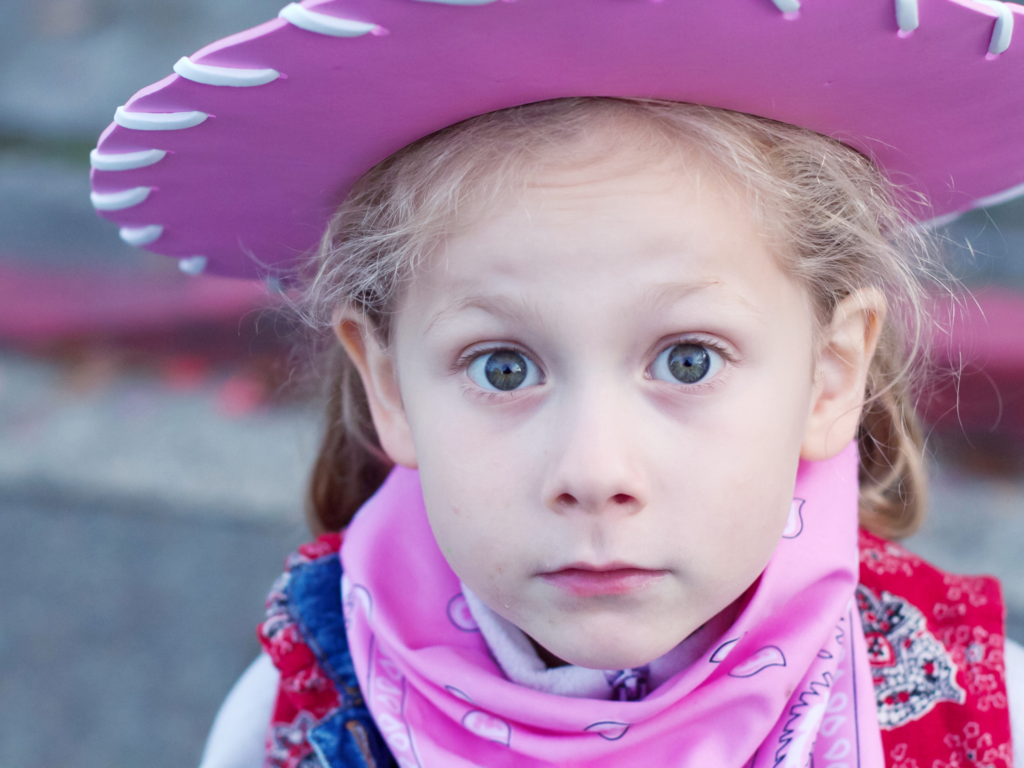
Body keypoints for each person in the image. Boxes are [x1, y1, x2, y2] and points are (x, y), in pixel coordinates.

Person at [89, 2, 1024, 765]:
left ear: (832, 373)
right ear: (391, 387)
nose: (594, 468)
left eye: (687, 359)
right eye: (504, 367)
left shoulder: (983, 722)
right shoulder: (300, 710)